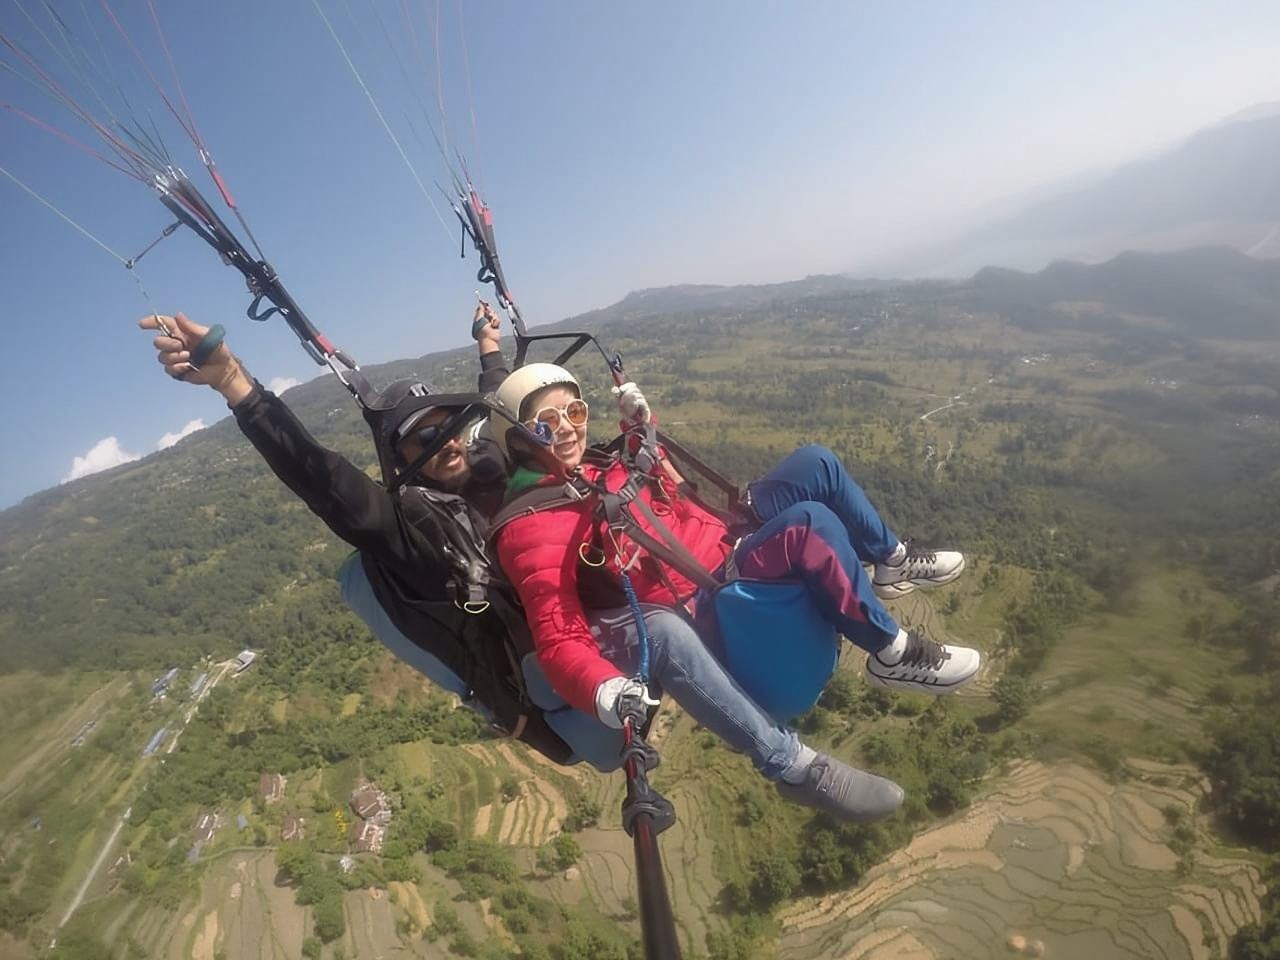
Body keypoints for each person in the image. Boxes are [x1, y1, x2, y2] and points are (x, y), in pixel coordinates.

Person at [136, 308, 685, 769]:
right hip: (545, 684)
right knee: (647, 681)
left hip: (582, 618)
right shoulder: (403, 527)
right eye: (424, 436)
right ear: (399, 457)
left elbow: (495, 402)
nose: (445, 443)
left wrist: (488, 344)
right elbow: (320, 478)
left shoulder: (488, 461)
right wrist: (234, 380)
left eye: (449, 427)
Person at [491, 363, 983, 821]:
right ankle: (885, 661)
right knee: (808, 526)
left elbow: (663, 490)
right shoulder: (534, 523)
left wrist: (641, 430)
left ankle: (892, 562)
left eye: (574, 412)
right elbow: (558, 634)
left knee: (818, 463)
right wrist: (603, 687)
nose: (567, 429)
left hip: (726, 535)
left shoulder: (593, 468)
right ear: (518, 440)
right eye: (545, 423)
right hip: (710, 588)